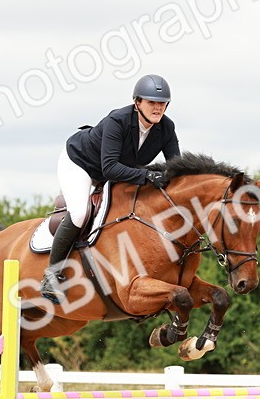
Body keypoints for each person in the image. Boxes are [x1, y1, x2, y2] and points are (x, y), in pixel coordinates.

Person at [40, 74, 181, 303]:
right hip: (81, 164)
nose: (157, 108)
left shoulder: (166, 128)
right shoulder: (118, 120)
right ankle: (52, 275)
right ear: (137, 103)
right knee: (80, 212)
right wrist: (147, 175)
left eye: (162, 103)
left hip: (117, 170)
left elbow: (175, 168)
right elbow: (110, 169)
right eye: (151, 102)